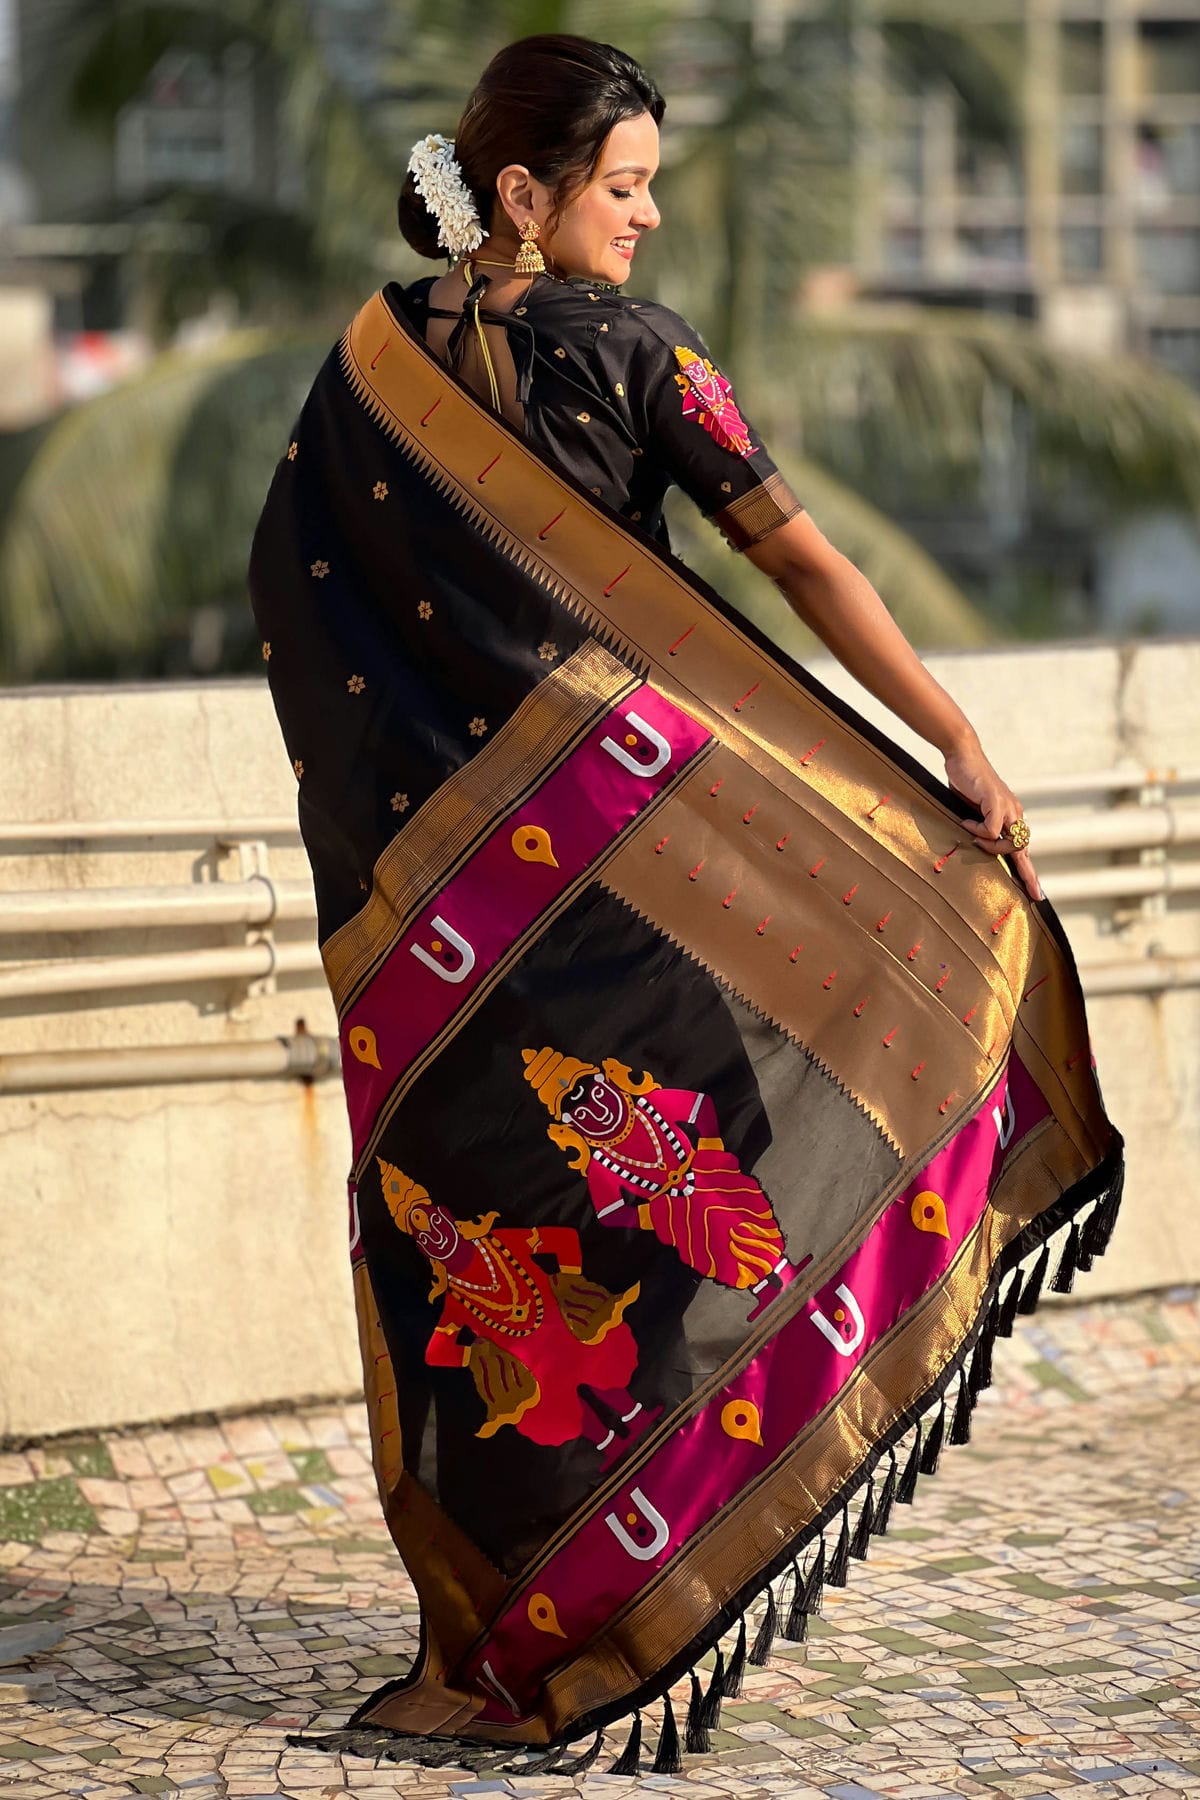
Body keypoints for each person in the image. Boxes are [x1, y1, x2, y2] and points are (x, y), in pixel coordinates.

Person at [250, 34, 1122, 1778]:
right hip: (627, 895)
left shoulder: (371, 358)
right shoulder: (635, 351)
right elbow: (795, 557)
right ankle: (637, 1562)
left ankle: (496, 1634)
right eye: (626, 185)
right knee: (699, 1173)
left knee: (474, 1237)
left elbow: (300, 600)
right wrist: (952, 741)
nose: (648, 217)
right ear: (522, 192)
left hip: (433, 920)